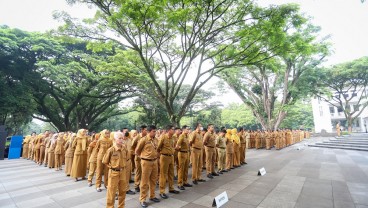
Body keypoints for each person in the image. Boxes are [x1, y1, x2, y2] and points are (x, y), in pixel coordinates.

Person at [135, 125, 160, 208]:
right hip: (146, 162)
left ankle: (152, 196)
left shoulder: (156, 139)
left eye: (155, 131)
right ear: (149, 132)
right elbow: (137, 151)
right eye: (153, 131)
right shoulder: (144, 140)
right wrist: (143, 158)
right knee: (144, 182)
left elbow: (157, 149)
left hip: (154, 162)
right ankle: (142, 199)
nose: (155, 132)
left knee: (153, 180)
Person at [103, 132, 128, 208]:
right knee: (111, 192)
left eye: (122, 138)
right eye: (119, 138)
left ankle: (121, 206)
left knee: (123, 191)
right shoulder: (111, 150)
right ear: (114, 139)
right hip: (114, 173)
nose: (121, 140)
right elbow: (105, 161)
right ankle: (110, 206)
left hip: (123, 172)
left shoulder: (124, 149)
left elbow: (127, 158)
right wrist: (111, 167)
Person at [157, 125, 180, 199]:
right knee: (163, 174)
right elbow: (158, 148)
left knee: (171, 173)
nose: (174, 131)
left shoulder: (173, 138)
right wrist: (160, 156)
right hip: (164, 157)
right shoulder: (163, 137)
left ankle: (171, 188)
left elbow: (174, 145)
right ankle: (162, 191)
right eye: (173, 129)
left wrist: (174, 149)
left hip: (171, 156)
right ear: (169, 130)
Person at [175, 125, 192, 190]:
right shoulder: (181, 136)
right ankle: (180, 183)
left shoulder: (187, 136)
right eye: (187, 129)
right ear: (184, 130)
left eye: (188, 129)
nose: (188, 130)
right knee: (181, 169)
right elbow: (177, 145)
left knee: (186, 169)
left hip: (187, 153)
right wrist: (179, 150)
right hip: (182, 153)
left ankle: (185, 181)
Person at [131, 125, 147, 193]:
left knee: (144, 172)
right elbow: (132, 147)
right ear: (142, 130)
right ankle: (136, 185)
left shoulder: (146, 137)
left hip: (145, 157)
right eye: (145, 130)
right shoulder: (137, 137)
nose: (147, 131)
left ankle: (143, 184)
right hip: (138, 157)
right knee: (138, 171)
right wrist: (137, 154)